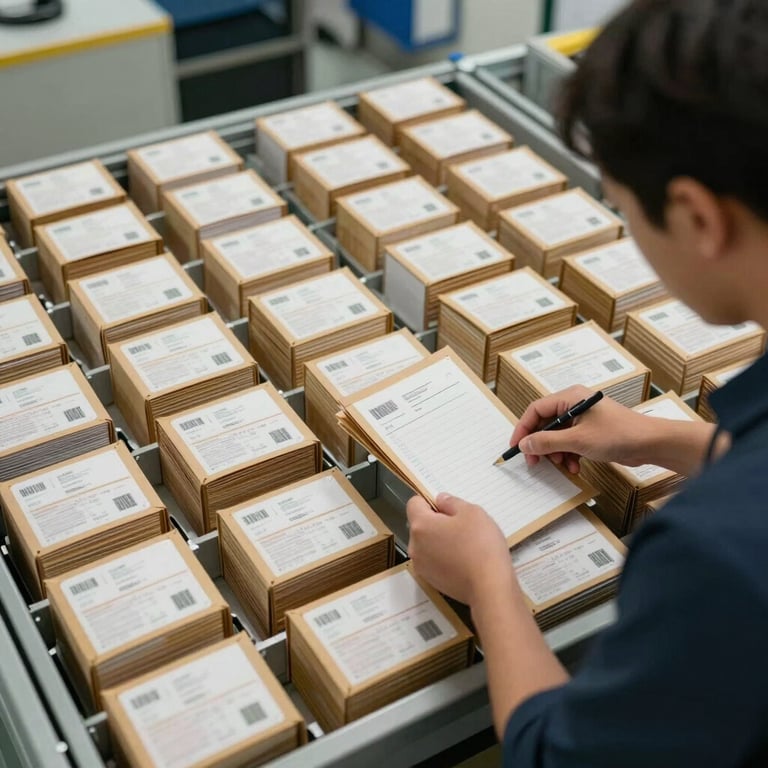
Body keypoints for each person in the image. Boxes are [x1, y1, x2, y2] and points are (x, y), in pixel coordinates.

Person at [406, 1, 768, 765]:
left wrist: (487, 580)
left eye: (625, 208)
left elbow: (560, 755)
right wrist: (657, 439)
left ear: (698, 216)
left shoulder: (710, 556)